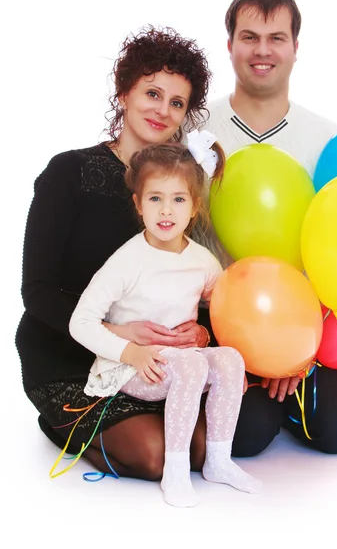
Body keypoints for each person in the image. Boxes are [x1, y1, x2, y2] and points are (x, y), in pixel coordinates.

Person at [15, 25, 281, 483]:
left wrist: (201, 334)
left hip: (157, 362)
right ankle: (66, 423)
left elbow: (195, 284)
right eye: (152, 93)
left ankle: (150, 416)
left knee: (210, 445)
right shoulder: (68, 172)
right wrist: (117, 333)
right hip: (70, 354)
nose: (162, 110)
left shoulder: (180, 194)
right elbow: (35, 291)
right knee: (156, 456)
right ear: (124, 93)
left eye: (176, 103)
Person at [202, 0, 337, 454]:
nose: (262, 50)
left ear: (296, 48)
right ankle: (255, 398)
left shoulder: (327, 141)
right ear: (230, 45)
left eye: (276, 38)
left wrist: (298, 350)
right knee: (245, 435)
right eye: (249, 36)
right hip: (220, 317)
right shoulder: (196, 131)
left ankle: (286, 391)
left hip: (301, 319)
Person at [69, 138, 262, 507]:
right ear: (139, 204)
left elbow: (223, 308)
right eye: (155, 198)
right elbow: (82, 321)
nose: (166, 210)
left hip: (179, 362)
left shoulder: (203, 261)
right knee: (190, 364)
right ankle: (175, 471)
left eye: (178, 199)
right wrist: (131, 353)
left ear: (194, 208)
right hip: (132, 368)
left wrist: (205, 332)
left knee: (231, 360)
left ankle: (219, 462)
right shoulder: (128, 260)